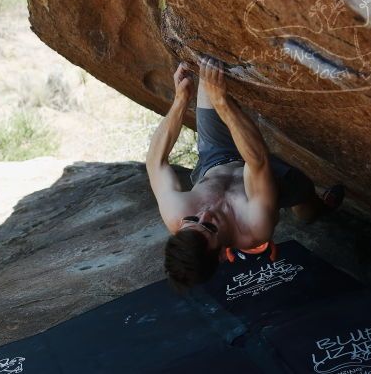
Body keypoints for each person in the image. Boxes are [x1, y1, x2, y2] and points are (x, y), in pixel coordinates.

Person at [145, 56, 344, 292]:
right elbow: (257, 160)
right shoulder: (253, 227)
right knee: (302, 192)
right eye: (209, 229)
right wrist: (222, 103)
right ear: (220, 254)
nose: (205, 215)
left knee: (209, 67)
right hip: (268, 179)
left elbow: (155, 163)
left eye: (192, 220)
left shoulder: (175, 213)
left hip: (215, 157)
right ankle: (315, 209)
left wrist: (180, 100)